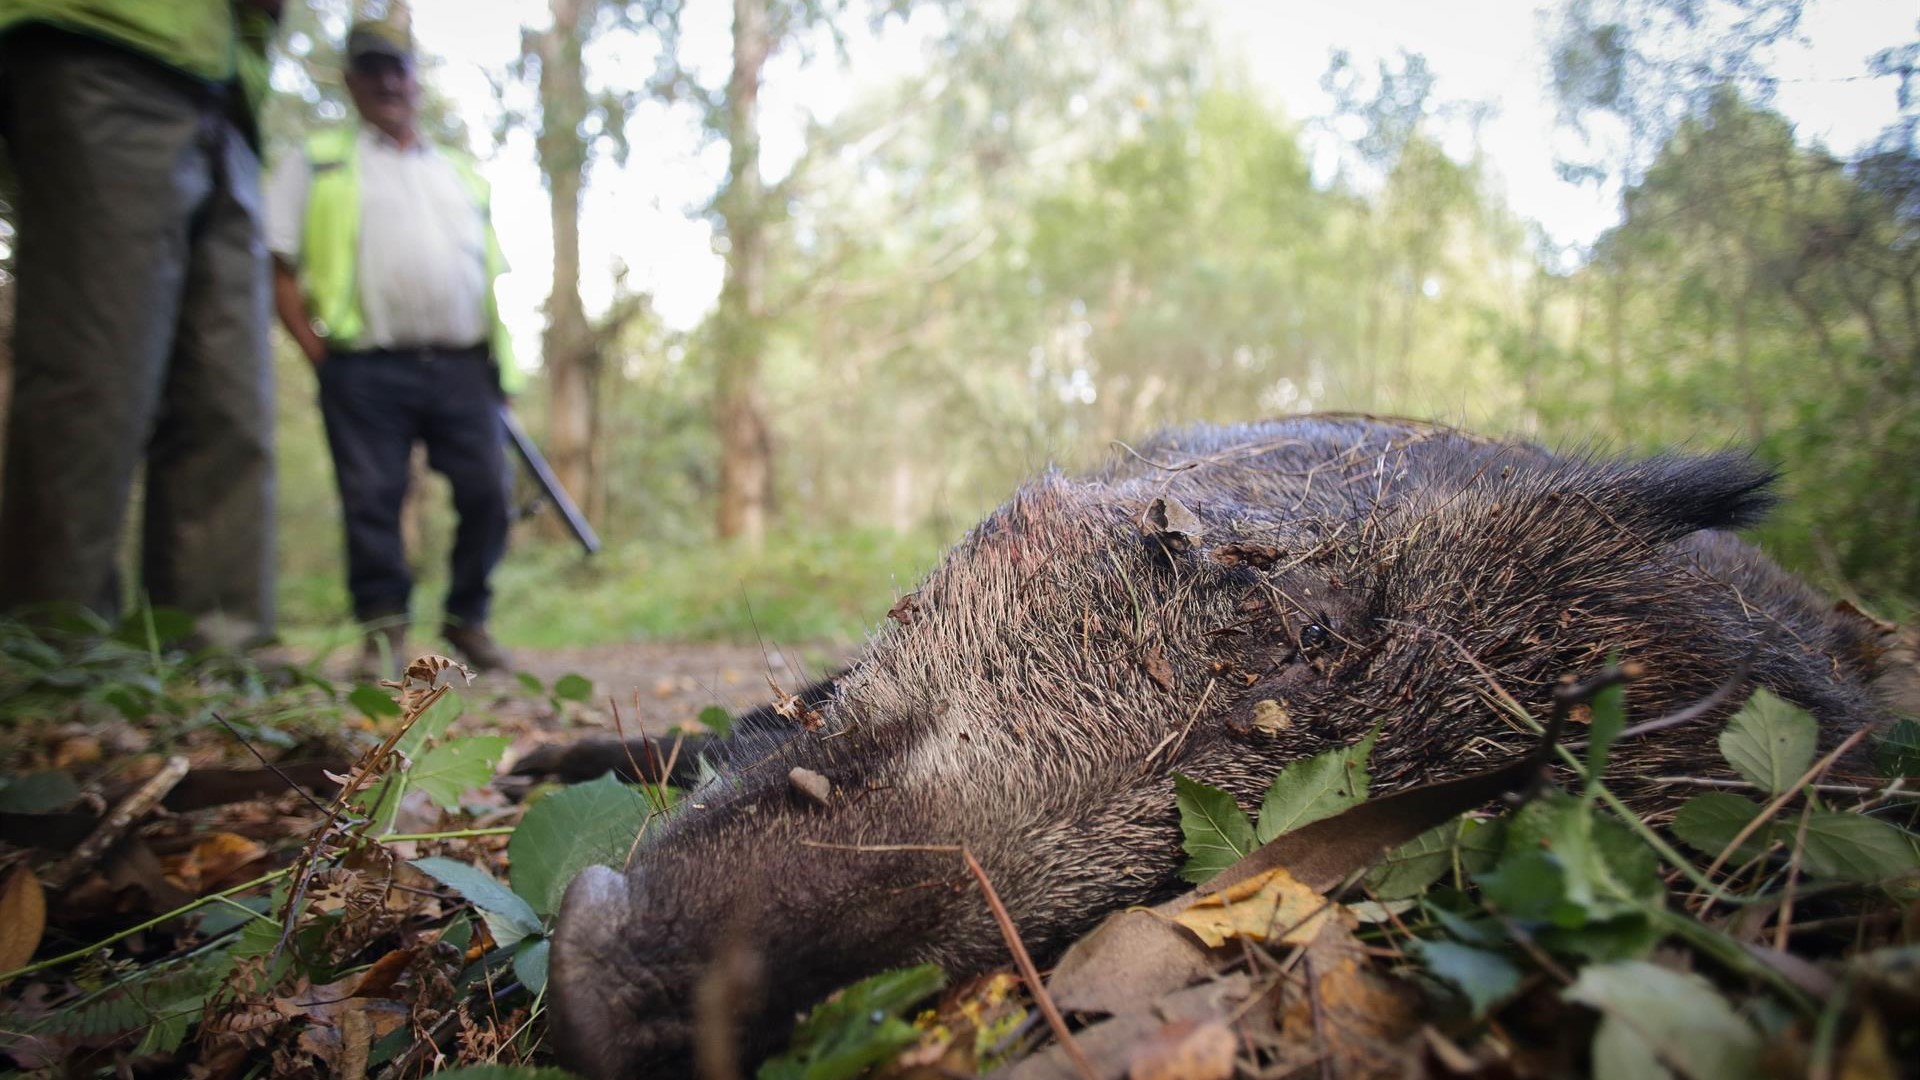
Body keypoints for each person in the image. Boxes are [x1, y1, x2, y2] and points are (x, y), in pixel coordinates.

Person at [0, 0, 282, 647]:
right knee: (95, 371)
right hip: (102, 38)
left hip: (232, 92)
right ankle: (56, 648)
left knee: (230, 404)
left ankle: (218, 654)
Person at [266, 19, 520, 676]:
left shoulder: (459, 172)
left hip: (464, 364)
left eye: (397, 69)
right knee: (372, 498)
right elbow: (278, 264)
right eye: (371, 70)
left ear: (415, 81)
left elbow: (490, 278)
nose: (387, 83)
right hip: (363, 366)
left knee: (489, 491)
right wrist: (318, 354)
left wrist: (502, 371)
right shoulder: (318, 160)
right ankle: (383, 633)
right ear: (351, 84)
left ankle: (468, 619)